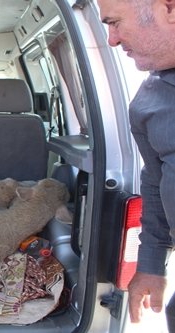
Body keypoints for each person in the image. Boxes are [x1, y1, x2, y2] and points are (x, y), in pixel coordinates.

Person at [97, 0, 175, 329]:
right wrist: (151, 264)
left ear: (168, 9)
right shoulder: (148, 102)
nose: (112, 40)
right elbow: (156, 181)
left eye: (114, 23)